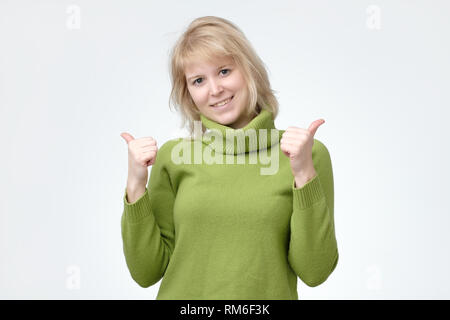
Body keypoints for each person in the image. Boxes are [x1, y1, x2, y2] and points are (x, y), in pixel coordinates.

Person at [120, 16, 339, 300]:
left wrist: (304, 175)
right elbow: (146, 272)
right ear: (189, 93)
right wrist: (136, 186)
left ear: (249, 71)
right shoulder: (174, 158)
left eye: (224, 71)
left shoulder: (305, 154)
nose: (215, 89)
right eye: (198, 80)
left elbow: (315, 271)